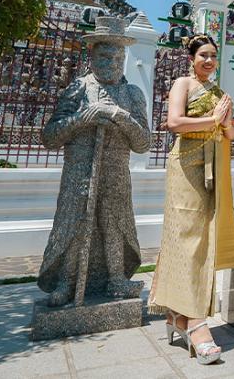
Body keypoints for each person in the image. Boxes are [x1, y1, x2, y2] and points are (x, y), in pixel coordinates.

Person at [38, 15, 151, 306]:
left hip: (116, 170)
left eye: (118, 58)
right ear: (92, 57)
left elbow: (143, 143)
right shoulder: (78, 89)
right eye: (105, 56)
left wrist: (121, 117)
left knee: (114, 225)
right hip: (80, 169)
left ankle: (116, 278)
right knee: (75, 223)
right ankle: (67, 281)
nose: (112, 63)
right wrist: (82, 118)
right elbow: (50, 137)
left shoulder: (131, 94)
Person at [148, 34, 234, 365]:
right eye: (203, 55)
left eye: (213, 55)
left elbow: (231, 133)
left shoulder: (219, 93)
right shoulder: (183, 84)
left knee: (202, 241)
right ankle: (196, 323)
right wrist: (213, 120)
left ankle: (178, 315)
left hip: (212, 166)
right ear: (192, 58)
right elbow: (174, 123)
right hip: (186, 166)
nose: (209, 61)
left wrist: (225, 122)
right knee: (186, 240)